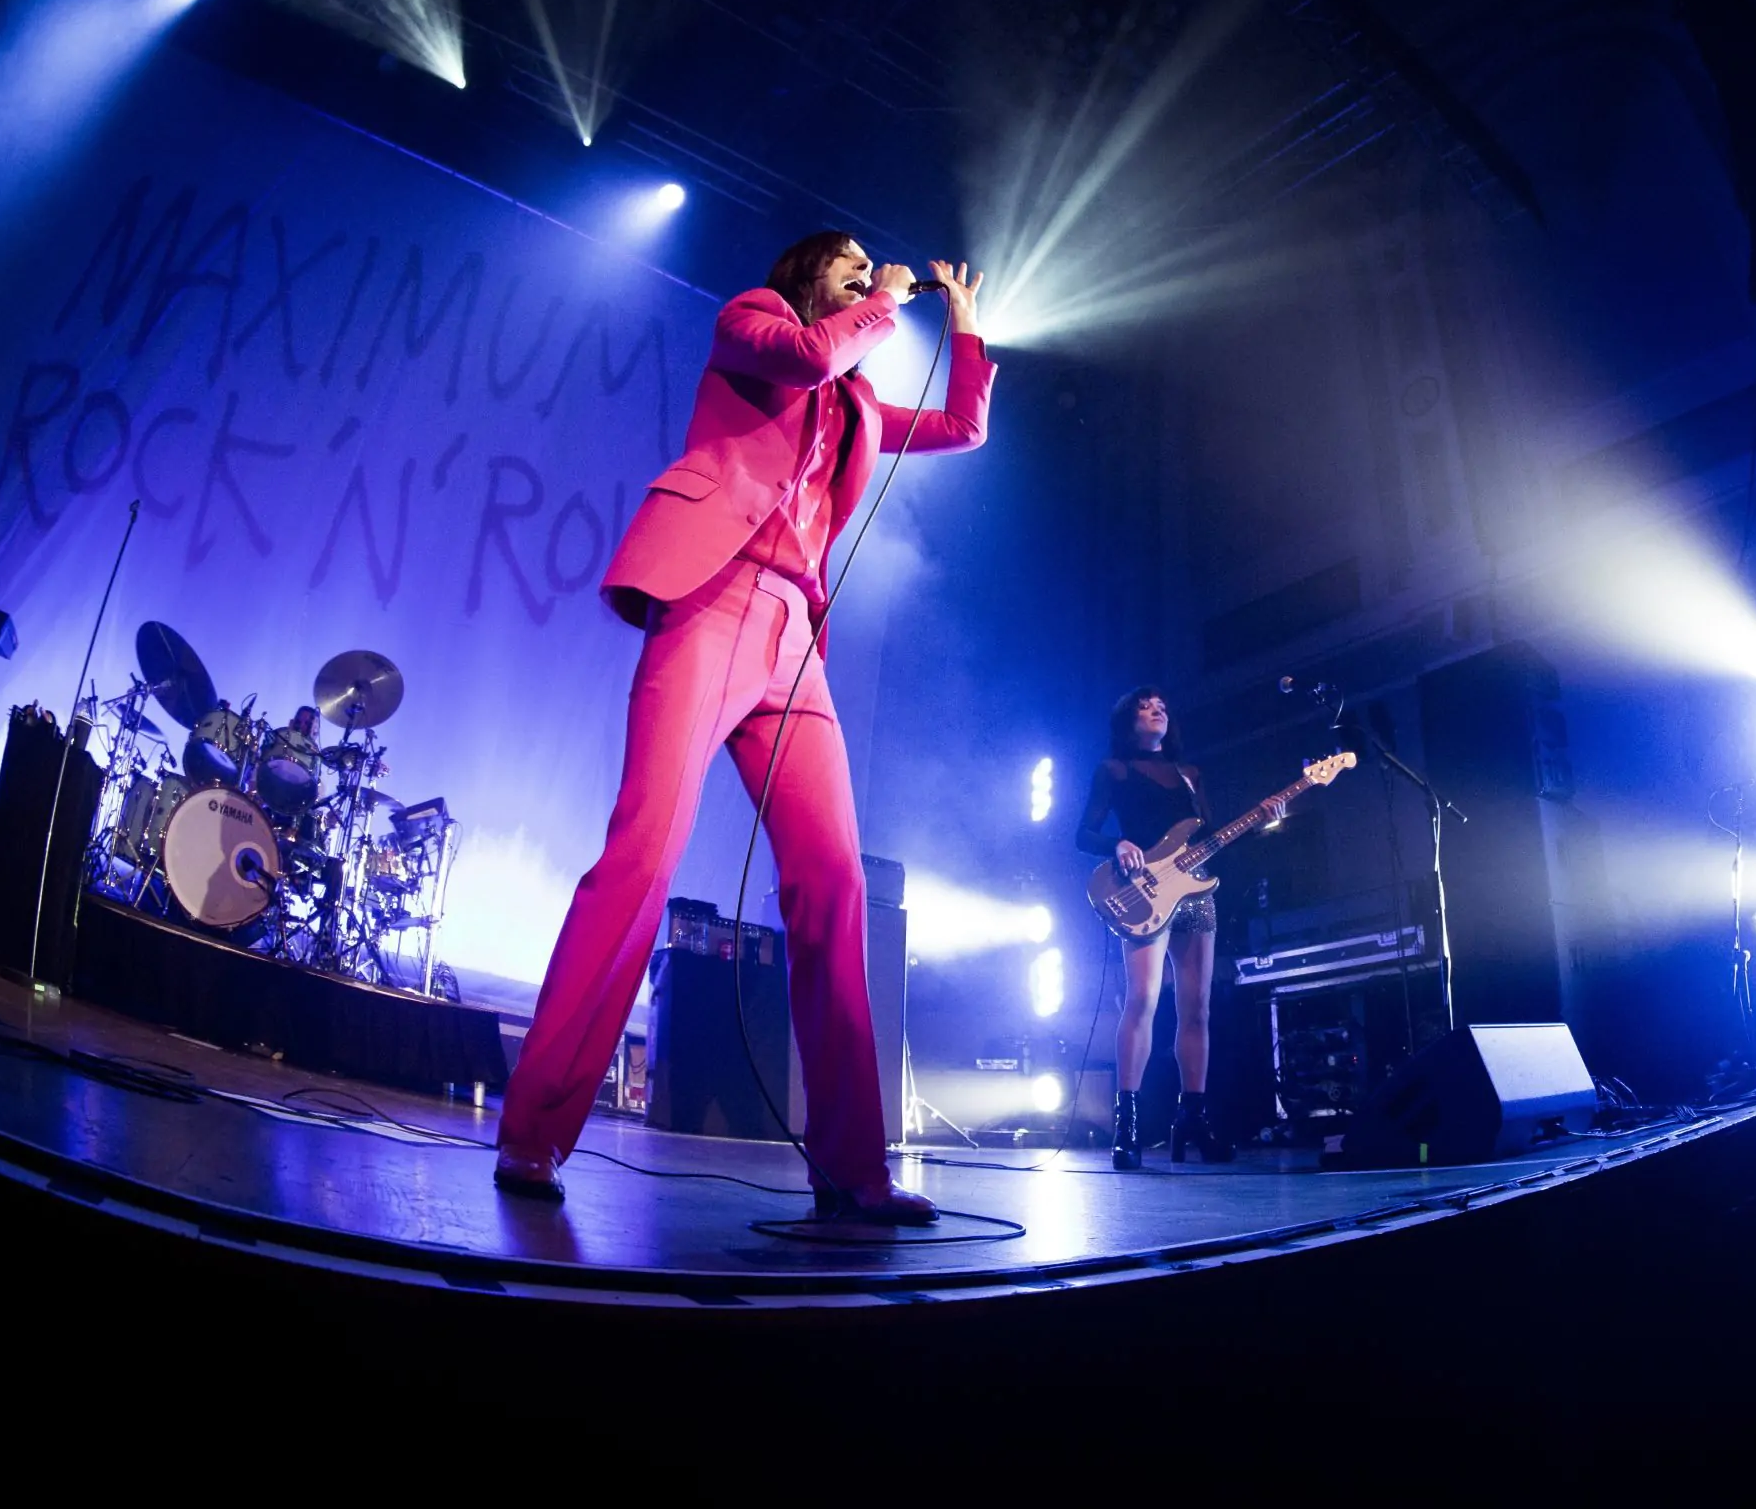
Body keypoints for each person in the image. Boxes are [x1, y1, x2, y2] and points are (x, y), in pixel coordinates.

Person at [493, 232, 992, 1221]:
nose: (867, 269)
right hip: (711, 596)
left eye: (872, 264)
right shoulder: (754, 321)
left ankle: (853, 1170)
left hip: (793, 637)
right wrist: (886, 301)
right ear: (809, 274)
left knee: (834, 883)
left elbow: (961, 428)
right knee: (644, 853)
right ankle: (534, 1131)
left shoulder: (858, 400)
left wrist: (967, 327)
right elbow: (807, 355)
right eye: (849, 260)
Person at [1075, 687, 1283, 1169]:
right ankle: (1127, 1126)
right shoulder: (1114, 770)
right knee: (1142, 1000)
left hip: (1196, 894)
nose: (1157, 710)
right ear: (1128, 720)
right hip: (1143, 892)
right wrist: (1117, 844)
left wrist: (1259, 822)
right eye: (1146, 706)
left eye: (1163, 706)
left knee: (1197, 1010)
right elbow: (1083, 832)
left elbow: (1209, 837)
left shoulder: (1190, 774)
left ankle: (1192, 1119)